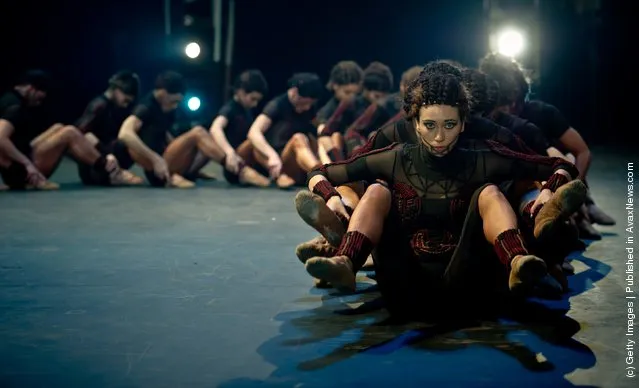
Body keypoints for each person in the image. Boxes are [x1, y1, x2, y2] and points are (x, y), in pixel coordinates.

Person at [299, 69, 586, 318]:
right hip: (403, 279)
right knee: (375, 188)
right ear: (415, 122)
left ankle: (519, 258)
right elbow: (322, 171)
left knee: (491, 191)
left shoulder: (489, 148)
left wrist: (548, 191)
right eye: (430, 125)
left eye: (449, 125)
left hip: (469, 277)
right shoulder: (393, 150)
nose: (439, 137)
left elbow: (559, 164)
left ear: (464, 122)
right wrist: (333, 196)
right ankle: (345, 258)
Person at [479, 53, 614, 238]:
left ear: (520, 92)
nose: (510, 108)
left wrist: (573, 196)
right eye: (503, 103)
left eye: (514, 101)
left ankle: (584, 208)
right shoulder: (490, 121)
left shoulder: (540, 115)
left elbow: (581, 153)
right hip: (522, 182)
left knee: (565, 161)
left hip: (550, 176)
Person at [117, 70, 266, 188]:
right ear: (162, 93)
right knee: (198, 132)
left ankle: (192, 171)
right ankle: (240, 170)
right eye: (174, 101)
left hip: (165, 162)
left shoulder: (166, 108)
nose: (175, 106)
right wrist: (154, 159)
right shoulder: (146, 106)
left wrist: (183, 151)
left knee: (203, 138)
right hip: (158, 169)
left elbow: (164, 134)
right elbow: (124, 133)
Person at [0, 70, 126, 189]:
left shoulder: (9, 98)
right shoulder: (14, 107)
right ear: (31, 89)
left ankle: (99, 163)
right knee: (69, 133)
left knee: (59, 127)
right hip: (23, 173)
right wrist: (26, 164)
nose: (41, 101)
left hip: (18, 163)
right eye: (40, 96)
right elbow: (1, 137)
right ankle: (109, 170)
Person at [243, 72, 324, 188]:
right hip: (279, 160)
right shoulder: (277, 105)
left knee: (314, 138)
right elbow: (253, 132)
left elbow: (318, 129)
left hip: (299, 161)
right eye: (304, 102)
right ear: (295, 92)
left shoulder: (310, 108)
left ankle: (323, 172)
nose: (307, 107)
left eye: (310, 104)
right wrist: (271, 155)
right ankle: (320, 175)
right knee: (298, 138)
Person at [75, 70, 144, 185]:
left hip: (106, 159)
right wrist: (104, 153)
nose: (126, 104)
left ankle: (116, 172)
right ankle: (113, 174)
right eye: (125, 100)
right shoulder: (99, 105)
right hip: (95, 166)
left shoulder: (116, 107)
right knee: (126, 142)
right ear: (117, 90)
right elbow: (81, 134)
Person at [319, 62, 394, 159]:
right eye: (377, 96)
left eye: (383, 97)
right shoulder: (352, 104)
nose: (379, 101)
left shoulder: (383, 109)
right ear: (366, 90)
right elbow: (327, 132)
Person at [209, 69, 270, 186]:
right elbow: (215, 128)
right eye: (253, 99)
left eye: (257, 100)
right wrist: (229, 151)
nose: (255, 104)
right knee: (254, 139)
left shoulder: (247, 110)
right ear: (241, 92)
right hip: (235, 164)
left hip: (245, 160)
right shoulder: (230, 108)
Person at [343, 65, 422, 155]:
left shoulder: (424, 109)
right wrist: (357, 151)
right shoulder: (383, 104)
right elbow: (353, 132)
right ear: (402, 86)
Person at [316, 61, 364, 163]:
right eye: (347, 92)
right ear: (335, 86)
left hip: (358, 150)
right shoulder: (327, 110)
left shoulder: (361, 105)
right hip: (337, 156)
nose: (351, 97)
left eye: (354, 93)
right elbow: (322, 133)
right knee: (335, 136)